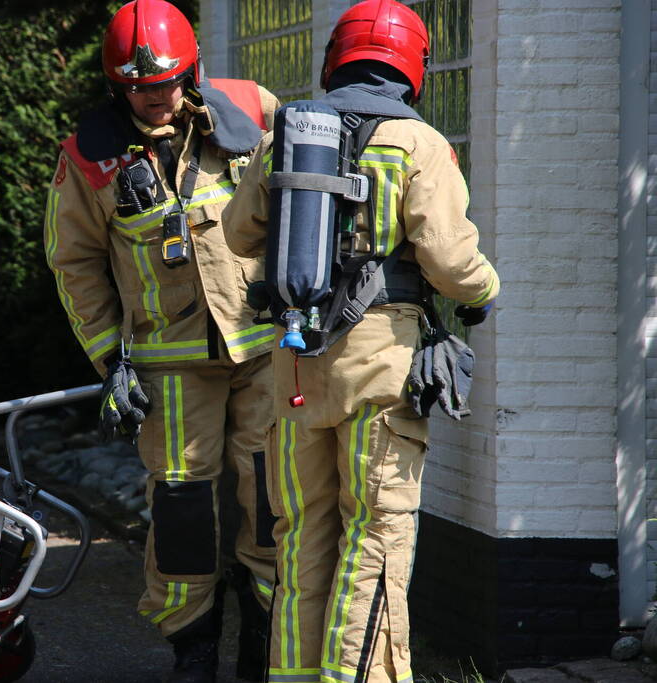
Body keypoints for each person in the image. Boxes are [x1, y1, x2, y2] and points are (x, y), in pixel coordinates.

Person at [221, 1, 500, 681]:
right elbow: (448, 261)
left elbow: (235, 232)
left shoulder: (289, 130)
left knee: (301, 540)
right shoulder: (418, 144)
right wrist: (483, 291)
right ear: (413, 67)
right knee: (371, 539)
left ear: (334, 59)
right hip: (379, 364)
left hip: (293, 360)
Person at [42, 1, 282, 680]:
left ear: (192, 69)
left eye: (169, 82)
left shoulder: (251, 111)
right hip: (169, 370)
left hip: (264, 353)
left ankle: (263, 645)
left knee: (269, 502)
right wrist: (108, 357)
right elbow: (74, 262)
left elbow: (304, 196)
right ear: (118, 86)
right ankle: (193, 649)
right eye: (141, 88)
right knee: (181, 512)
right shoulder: (89, 158)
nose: (158, 98)